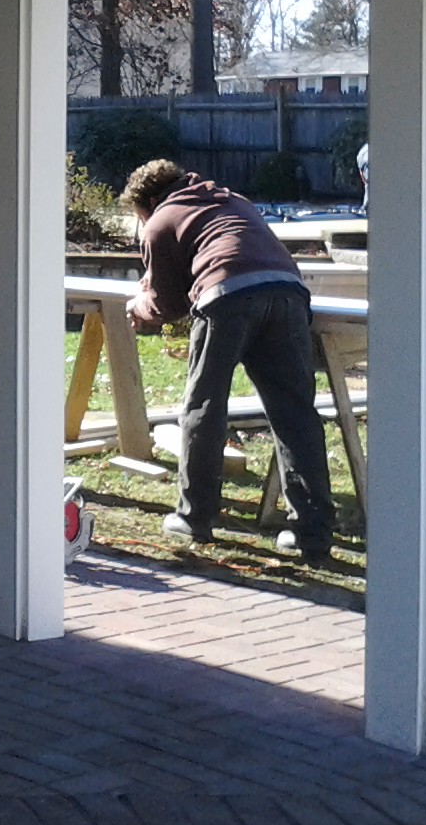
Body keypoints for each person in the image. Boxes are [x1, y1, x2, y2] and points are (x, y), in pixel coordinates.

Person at [122, 159, 335, 561]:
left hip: (226, 298)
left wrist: (140, 306)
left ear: (148, 201)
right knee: (296, 414)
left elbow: (168, 304)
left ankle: (194, 516)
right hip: (288, 293)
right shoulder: (233, 201)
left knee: (204, 405)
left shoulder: (159, 221)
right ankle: (312, 532)